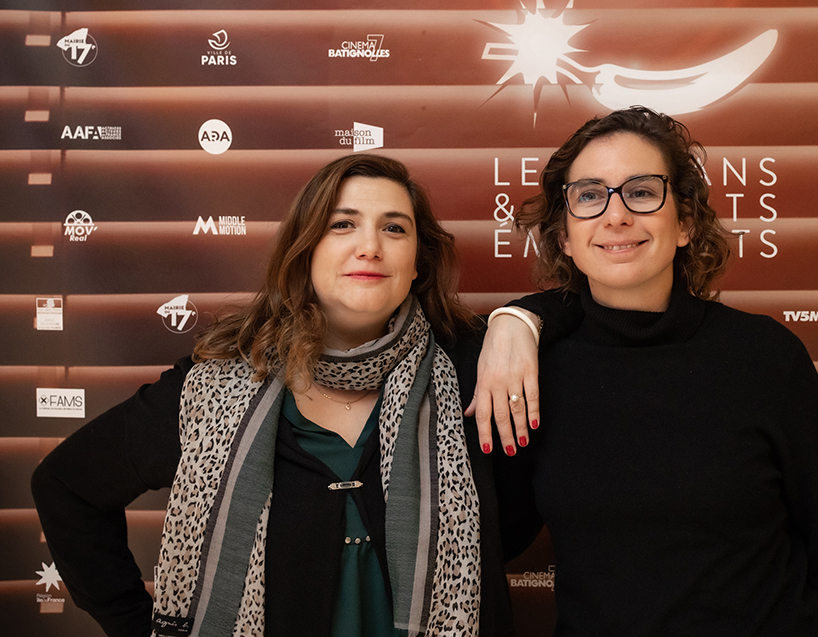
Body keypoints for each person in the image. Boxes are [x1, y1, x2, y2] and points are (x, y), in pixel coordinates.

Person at [31, 154, 552, 637]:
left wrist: (520, 319)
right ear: (305, 250)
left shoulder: (474, 374)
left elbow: (509, 525)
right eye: (342, 224)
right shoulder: (213, 388)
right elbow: (66, 486)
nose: (370, 246)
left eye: (394, 228)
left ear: (418, 261)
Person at [474, 107, 818, 635]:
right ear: (564, 238)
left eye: (642, 192)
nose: (616, 215)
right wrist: (514, 318)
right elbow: (494, 538)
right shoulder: (530, 371)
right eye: (590, 195)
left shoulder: (766, 356)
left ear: (686, 223)